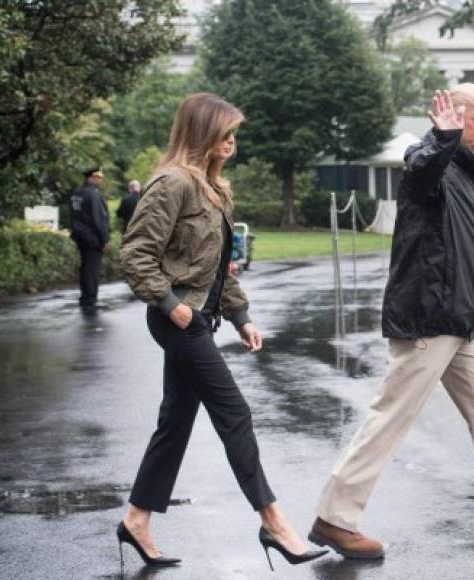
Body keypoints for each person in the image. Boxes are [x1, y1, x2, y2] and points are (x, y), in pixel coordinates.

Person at [309, 85, 474, 559]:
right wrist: (442, 138)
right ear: (453, 118)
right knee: (390, 418)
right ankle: (334, 519)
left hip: (468, 319)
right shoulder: (429, 161)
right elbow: (421, 170)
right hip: (428, 318)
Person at [117, 93, 327, 569]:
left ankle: (136, 519)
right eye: (224, 133)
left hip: (199, 320)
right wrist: (172, 307)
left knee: (174, 424)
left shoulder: (215, 188)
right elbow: (135, 254)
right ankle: (274, 523)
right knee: (235, 413)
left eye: (234, 134)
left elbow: (218, 268)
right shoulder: (172, 184)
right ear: (202, 134)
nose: (232, 142)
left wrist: (241, 316)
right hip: (179, 322)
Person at [69, 167, 110, 312]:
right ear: (91, 178)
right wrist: (105, 239)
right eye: (98, 177)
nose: (100, 180)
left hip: (80, 236)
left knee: (85, 267)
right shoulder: (93, 194)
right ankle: (91, 299)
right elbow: (99, 219)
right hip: (92, 237)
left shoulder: (77, 192)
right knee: (92, 269)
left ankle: (84, 297)